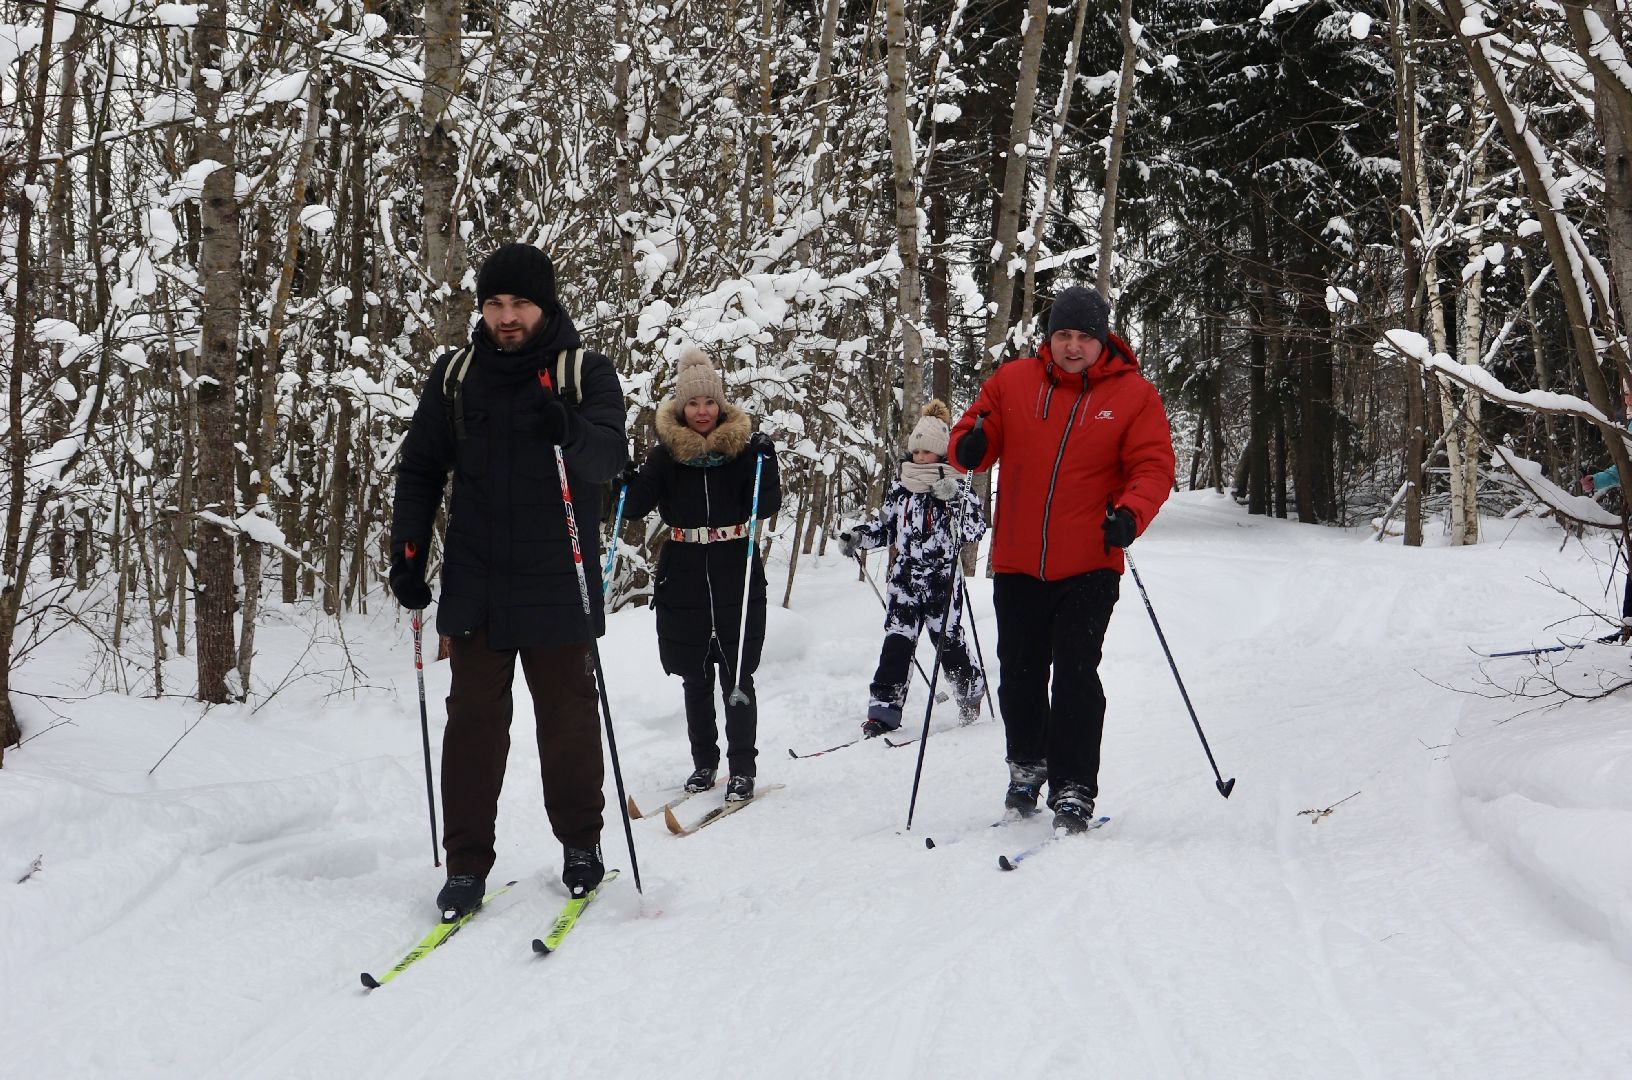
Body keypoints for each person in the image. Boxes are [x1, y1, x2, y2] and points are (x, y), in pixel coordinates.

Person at [389, 243, 628, 915]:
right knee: (471, 724)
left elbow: (610, 455)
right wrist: (406, 547)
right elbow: (421, 467)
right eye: (494, 304)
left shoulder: (584, 372)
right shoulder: (455, 375)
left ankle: (581, 844)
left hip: (559, 575)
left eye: (518, 303)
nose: (505, 316)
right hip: (478, 577)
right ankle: (466, 864)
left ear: (544, 304)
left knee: (568, 722)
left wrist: (569, 429)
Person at [948, 284, 1175, 833]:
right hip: (1020, 561)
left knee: (1075, 672)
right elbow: (972, 434)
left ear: (1103, 341)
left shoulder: (1133, 396)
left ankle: (1074, 785)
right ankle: (1027, 765)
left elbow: (1153, 467)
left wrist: (1130, 514)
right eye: (1063, 335)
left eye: (1084, 337)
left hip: (1092, 560)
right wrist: (969, 447)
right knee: (1020, 675)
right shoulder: (1014, 382)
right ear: (1049, 338)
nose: (1073, 347)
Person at [620, 347, 780, 802]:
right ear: (681, 408)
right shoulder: (665, 455)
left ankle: (742, 767)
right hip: (685, 573)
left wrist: (767, 463)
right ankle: (704, 764)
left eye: (709, 402)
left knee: (737, 675)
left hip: (736, 571)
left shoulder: (744, 450)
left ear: (721, 404)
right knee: (695, 676)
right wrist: (624, 478)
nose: (702, 411)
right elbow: (633, 508)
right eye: (693, 403)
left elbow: (766, 505)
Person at [839, 398, 987, 737]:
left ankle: (969, 690)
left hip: (941, 579)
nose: (920, 458)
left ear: (941, 453)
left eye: (927, 452)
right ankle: (883, 711)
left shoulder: (956, 487)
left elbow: (974, 530)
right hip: (905, 577)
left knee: (947, 641)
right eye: (916, 451)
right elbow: (885, 529)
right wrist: (858, 538)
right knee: (897, 641)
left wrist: (953, 502)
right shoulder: (899, 489)